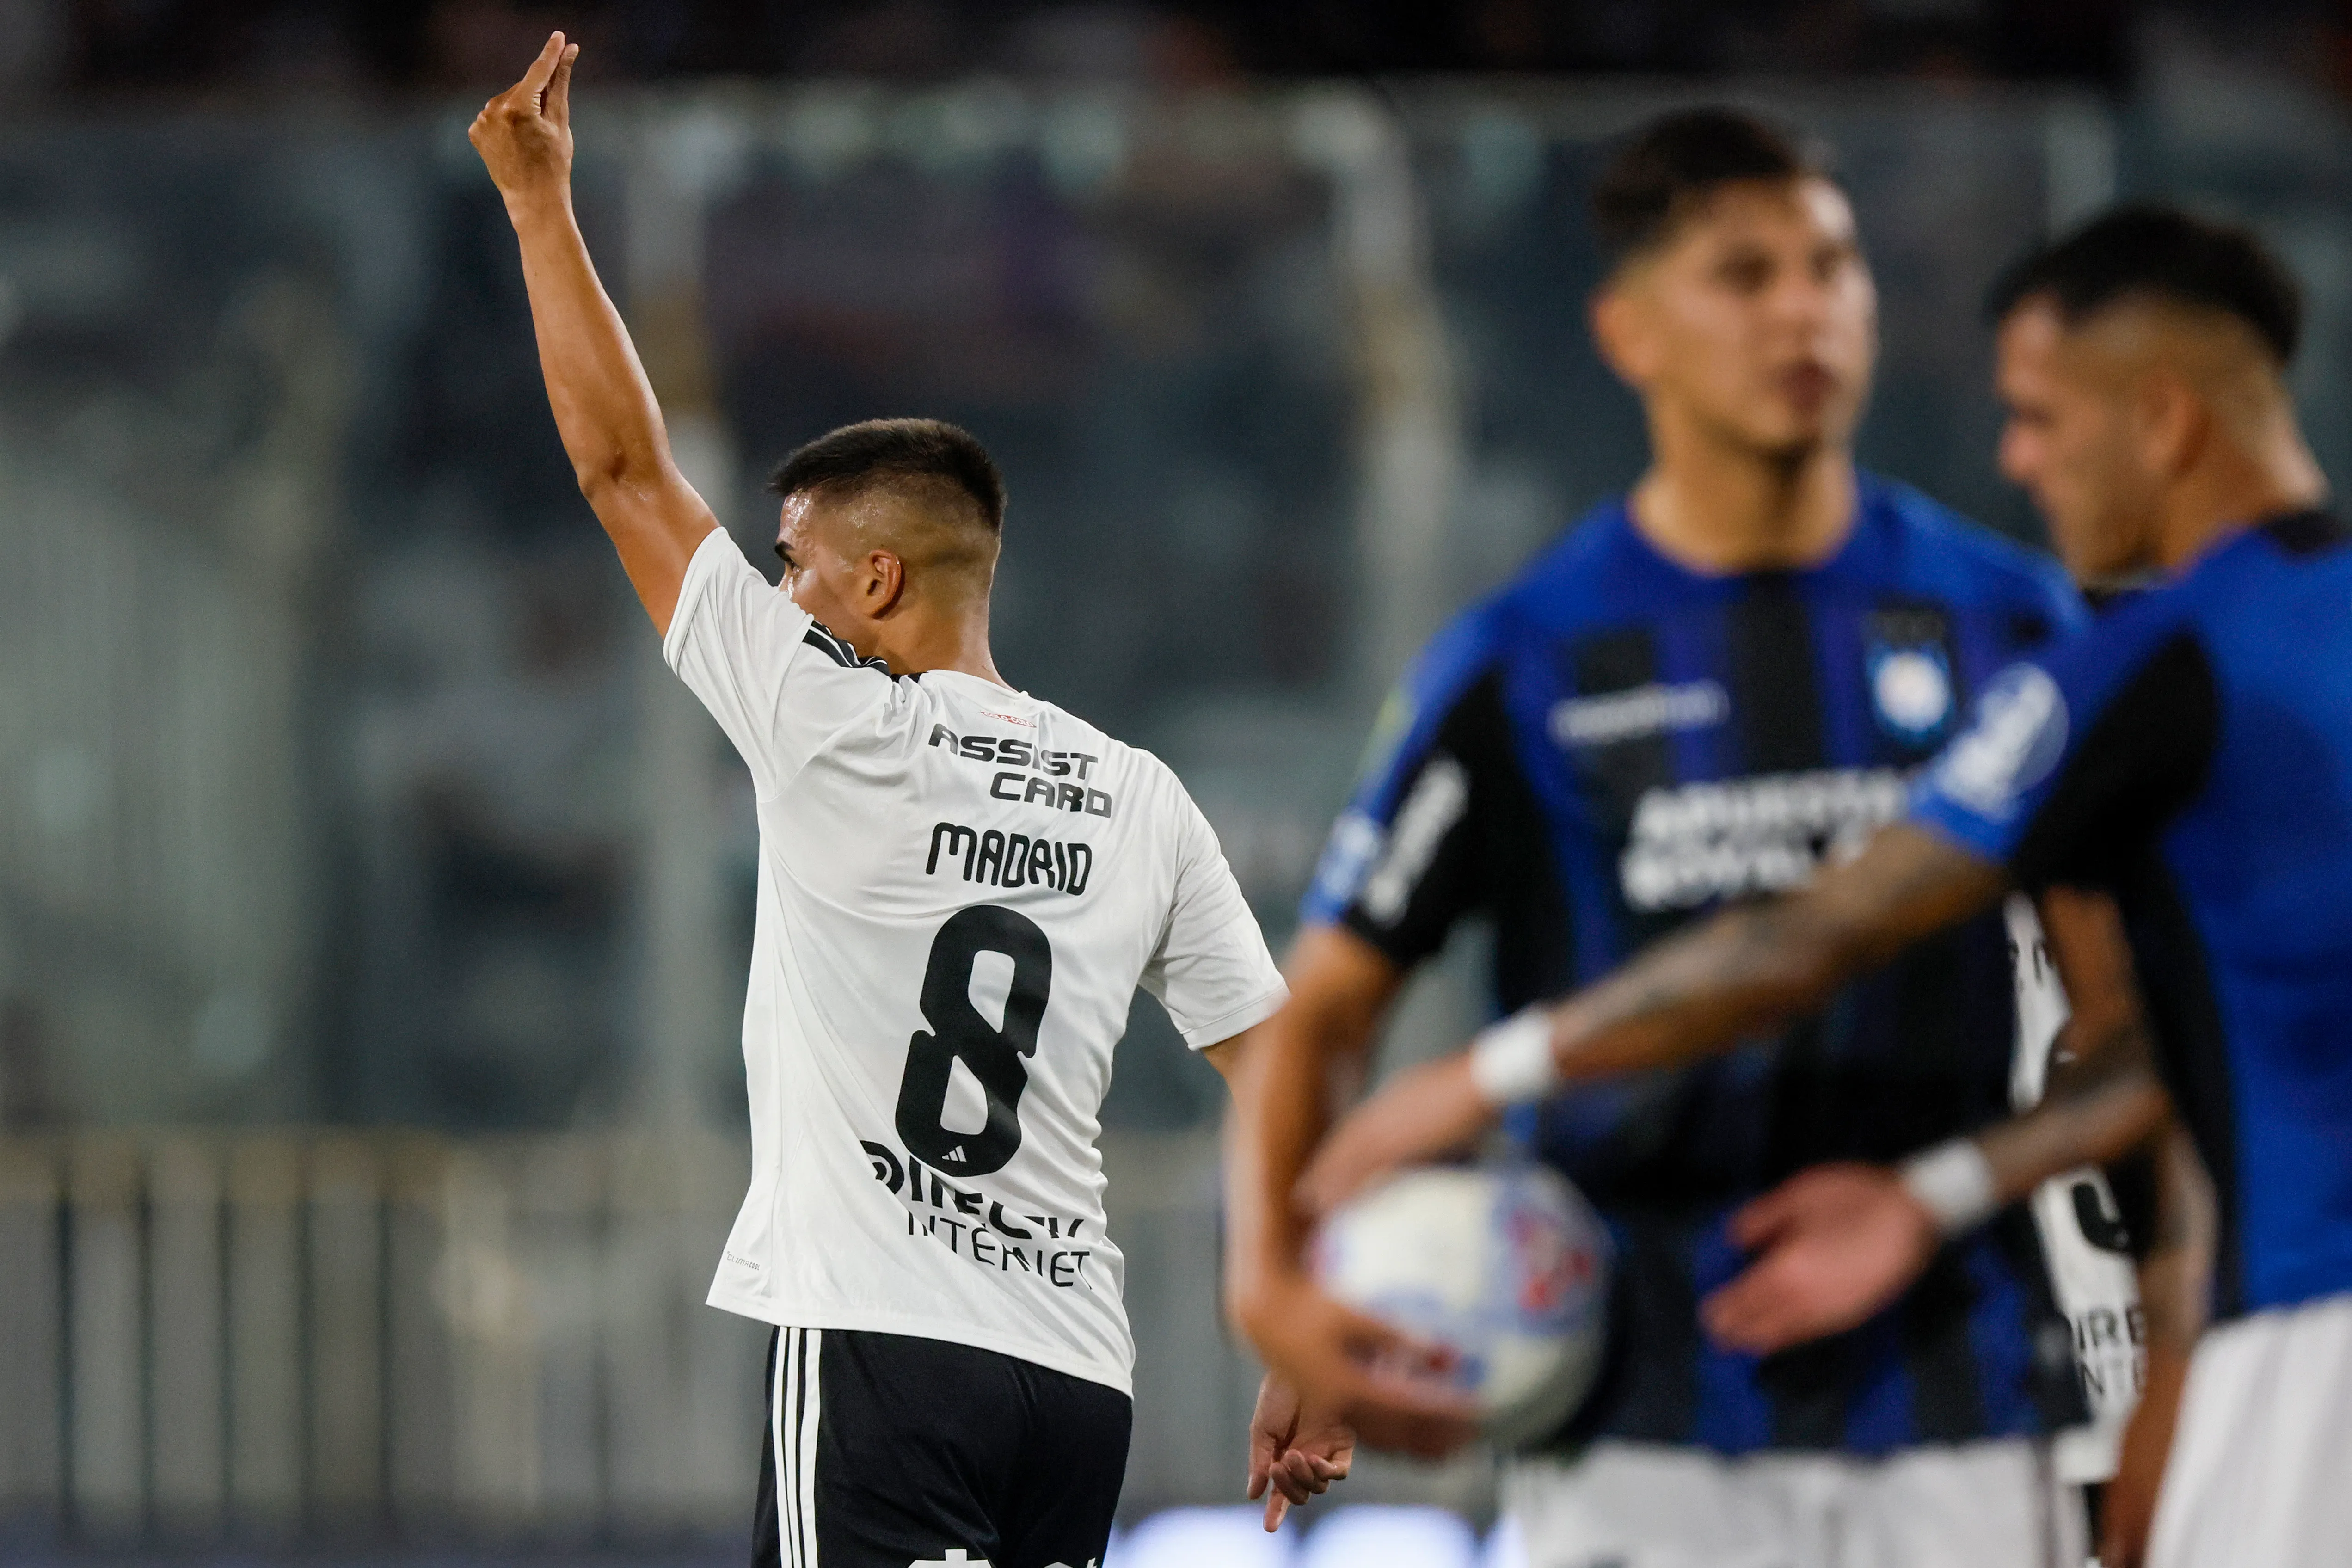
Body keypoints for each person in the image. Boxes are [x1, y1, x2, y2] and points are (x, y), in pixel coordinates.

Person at [1293, 204, 2345, 1568]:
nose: (2017, 460)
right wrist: (1942, 1191)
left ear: (2162, 421)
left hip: (2313, 1340)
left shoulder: (2144, 660)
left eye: (2037, 418)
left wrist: (1480, 1077)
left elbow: (1819, 932)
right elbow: (2162, 1049)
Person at [1227, 108, 2111, 1566]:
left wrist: (1943, 1191)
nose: (1802, 311)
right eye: (1743, 274)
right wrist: (1274, 1288)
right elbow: (1321, 1011)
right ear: (1627, 330)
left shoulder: (2011, 626)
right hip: (1630, 1424)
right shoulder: (1520, 662)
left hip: (1957, 1400)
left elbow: (2130, 1022)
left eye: (1831, 267)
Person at [471, 37, 1291, 1568]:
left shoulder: (826, 716)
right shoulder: (1139, 794)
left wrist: (538, 206)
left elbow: (622, 469)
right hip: (1071, 1377)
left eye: (792, 563)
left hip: (878, 1351)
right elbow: (1288, 1071)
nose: (777, 589)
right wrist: (1305, 1330)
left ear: (875, 579)